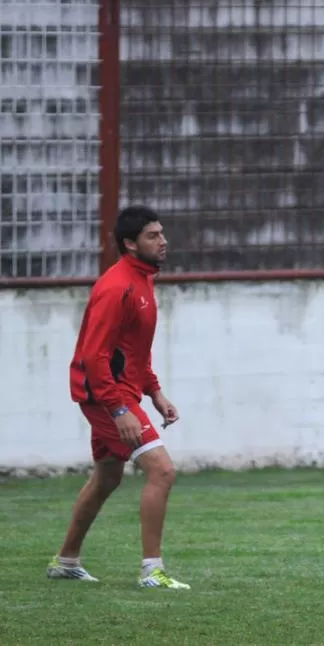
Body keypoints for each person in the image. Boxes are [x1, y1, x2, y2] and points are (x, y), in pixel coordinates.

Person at [47, 205, 190, 590]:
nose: (163, 241)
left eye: (162, 233)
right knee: (162, 470)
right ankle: (152, 571)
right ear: (129, 244)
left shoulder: (143, 281)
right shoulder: (117, 286)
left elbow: (134, 351)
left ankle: (66, 561)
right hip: (103, 395)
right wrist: (119, 408)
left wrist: (155, 392)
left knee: (107, 477)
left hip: (120, 391)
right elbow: (95, 356)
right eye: (152, 236)